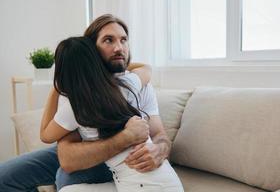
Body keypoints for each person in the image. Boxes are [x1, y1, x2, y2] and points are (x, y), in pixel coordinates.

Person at [0, 14, 173, 192]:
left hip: (118, 161)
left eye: (123, 40)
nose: (119, 48)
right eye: (108, 40)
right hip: (85, 150)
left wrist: (160, 149)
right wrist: (60, 84)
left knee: (66, 177)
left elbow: (159, 134)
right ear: (91, 49)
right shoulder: (76, 93)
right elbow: (67, 156)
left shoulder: (138, 85)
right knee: (4, 177)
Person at [40, 36, 183, 191]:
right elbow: (146, 69)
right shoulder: (125, 84)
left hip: (142, 188)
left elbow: (45, 135)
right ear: (97, 61)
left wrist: (56, 86)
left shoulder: (75, 107)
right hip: (168, 182)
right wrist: (106, 67)